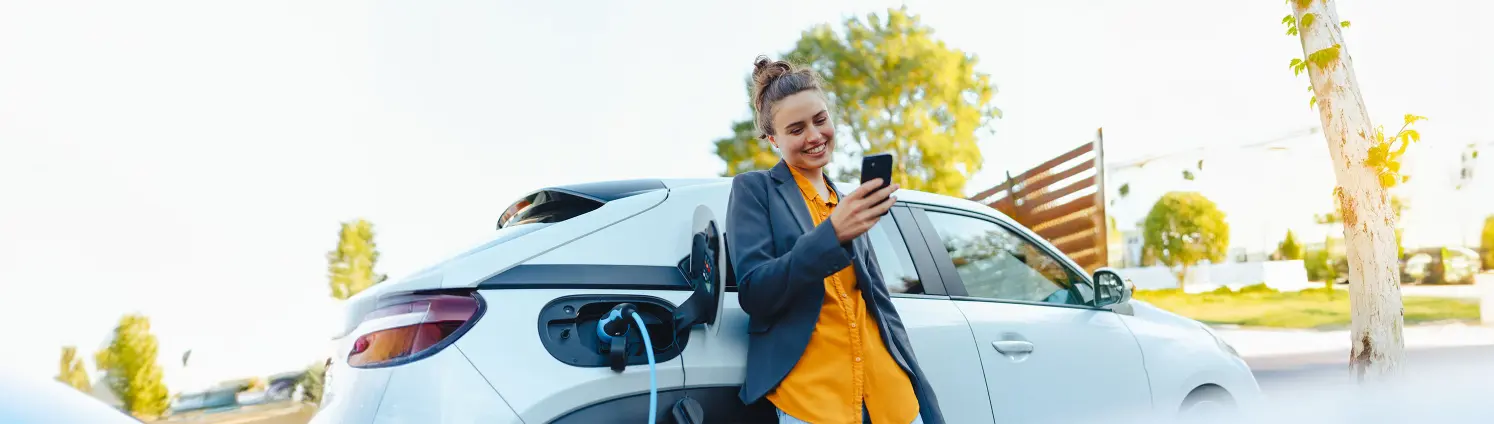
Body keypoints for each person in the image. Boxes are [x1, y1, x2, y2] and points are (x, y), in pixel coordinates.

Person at [725, 56, 945, 424]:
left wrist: (925, 399)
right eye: (795, 130)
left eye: (820, 120)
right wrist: (832, 235)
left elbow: (881, 307)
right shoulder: (754, 190)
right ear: (771, 139)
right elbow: (754, 291)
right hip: (814, 402)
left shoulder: (846, 203)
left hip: (890, 397)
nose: (814, 136)